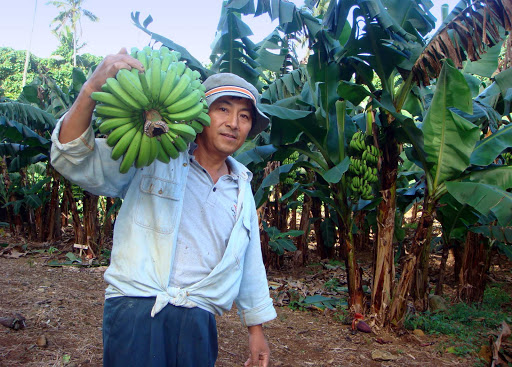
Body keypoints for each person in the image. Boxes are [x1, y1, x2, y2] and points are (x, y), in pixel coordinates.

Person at [50, 48, 277, 367]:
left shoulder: (240, 186)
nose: (232, 123)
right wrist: (90, 89)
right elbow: (73, 158)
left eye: (244, 116)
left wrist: (256, 330)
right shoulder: (154, 154)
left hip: (199, 316)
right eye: (222, 109)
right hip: (136, 307)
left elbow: (248, 261)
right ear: (199, 115)